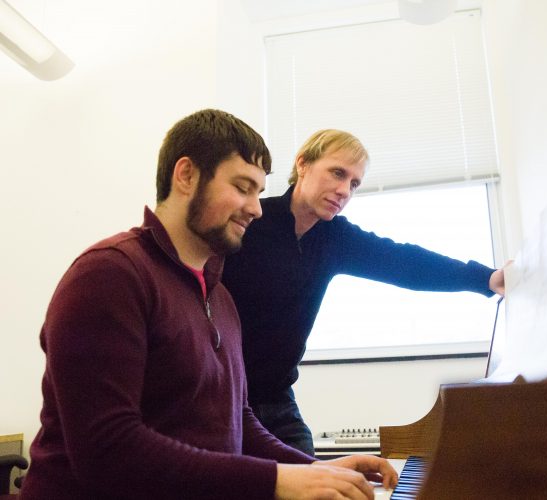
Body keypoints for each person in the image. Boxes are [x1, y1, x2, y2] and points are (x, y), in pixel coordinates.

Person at [21, 111, 397, 500]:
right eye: (242, 187)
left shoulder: (219, 298)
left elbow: (237, 421)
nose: (257, 208)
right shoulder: (110, 275)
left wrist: (313, 469)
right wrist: (278, 481)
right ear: (186, 175)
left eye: (258, 191)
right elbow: (109, 451)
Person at [222, 129, 508, 456]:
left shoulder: (334, 238)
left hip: (277, 398)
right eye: (337, 173)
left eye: (354, 184)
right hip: (223, 395)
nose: (344, 190)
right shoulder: (251, 222)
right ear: (303, 164)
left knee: (316, 487)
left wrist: (486, 278)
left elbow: (404, 261)